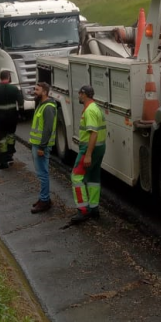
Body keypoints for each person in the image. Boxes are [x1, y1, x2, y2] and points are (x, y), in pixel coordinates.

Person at [70, 85, 106, 224]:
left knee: (76, 177)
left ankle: (83, 211)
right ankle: (94, 207)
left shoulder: (90, 111)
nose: (78, 96)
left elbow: (93, 133)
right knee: (93, 178)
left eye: (79, 93)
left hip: (89, 149)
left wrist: (88, 154)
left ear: (84, 94)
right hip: (100, 148)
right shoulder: (96, 108)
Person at [29, 82, 57, 213]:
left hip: (41, 146)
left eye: (37, 90)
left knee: (43, 174)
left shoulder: (48, 108)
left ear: (45, 92)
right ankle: (44, 198)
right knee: (41, 173)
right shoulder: (42, 105)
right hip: (38, 144)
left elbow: (47, 129)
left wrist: (41, 147)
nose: (35, 91)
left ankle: (44, 201)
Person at [0, 70, 24, 169]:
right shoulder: (14, 89)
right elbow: (20, 103)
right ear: (9, 78)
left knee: (1, 139)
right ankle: (10, 156)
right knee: (11, 136)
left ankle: (2, 162)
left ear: (0, 78)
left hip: (0, 118)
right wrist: (19, 114)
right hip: (12, 118)